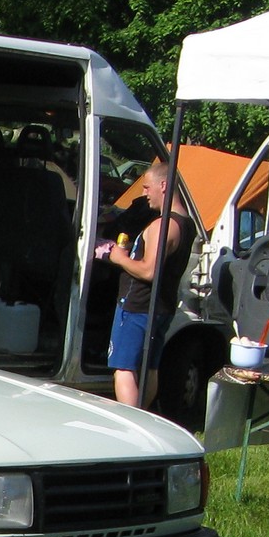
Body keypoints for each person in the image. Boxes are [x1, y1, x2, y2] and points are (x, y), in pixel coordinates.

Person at [95, 157, 191, 409]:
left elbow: (149, 271)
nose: (144, 193)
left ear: (164, 185)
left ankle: (132, 422)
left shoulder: (162, 226)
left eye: (147, 187)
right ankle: (144, 416)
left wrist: (118, 257)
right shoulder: (186, 224)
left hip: (137, 305)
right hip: (162, 306)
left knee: (124, 368)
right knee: (149, 367)